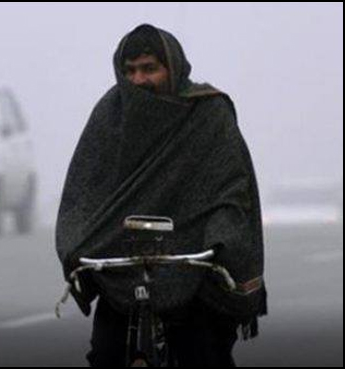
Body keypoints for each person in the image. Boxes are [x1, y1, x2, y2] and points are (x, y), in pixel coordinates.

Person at [55, 24, 267, 367]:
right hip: (122, 265)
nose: (139, 80)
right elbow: (84, 190)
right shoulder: (110, 114)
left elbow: (231, 190)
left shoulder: (208, 114)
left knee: (203, 355)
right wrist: (75, 241)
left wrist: (221, 239)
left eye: (150, 68)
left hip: (193, 264)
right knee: (105, 355)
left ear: (173, 68)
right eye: (131, 70)